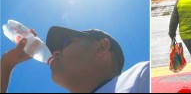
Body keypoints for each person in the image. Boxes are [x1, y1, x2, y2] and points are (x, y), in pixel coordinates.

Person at [1, 26, 149, 93]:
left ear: (101, 47)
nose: (55, 52)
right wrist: (7, 64)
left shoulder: (140, 77)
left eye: (66, 43)